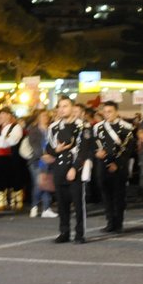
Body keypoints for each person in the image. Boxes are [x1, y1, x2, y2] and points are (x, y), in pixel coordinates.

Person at [44, 96, 92, 243]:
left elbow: (84, 150)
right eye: (60, 106)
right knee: (62, 202)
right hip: (59, 168)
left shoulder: (83, 126)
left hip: (74, 168)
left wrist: (75, 168)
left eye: (65, 106)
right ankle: (64, 232)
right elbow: (48, 148)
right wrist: (55, 149)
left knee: (78, 203)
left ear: (72, 107)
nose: (62, 109)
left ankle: (79, 233)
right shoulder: (54, 127)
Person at [92, 101, 134, 233]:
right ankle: (110, 221)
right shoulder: (98, 127)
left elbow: (129, 149)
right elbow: (93, 144)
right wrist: (96, 153)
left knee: (118, 196)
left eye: (110, 111)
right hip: (102, 165)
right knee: (106, 195)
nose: (107, 114)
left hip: (118, 166)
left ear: (116, 112)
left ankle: (118, 223)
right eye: (105, 112)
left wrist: (118, 163)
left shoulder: (126, 128)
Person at [0, 108, 27, 211]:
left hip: (12, 157)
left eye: (3, 114)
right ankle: (1, 202)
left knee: (15, 179)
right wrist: (4, 139)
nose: (1, 117)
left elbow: (13, 141)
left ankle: (16, 201)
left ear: (9, 116)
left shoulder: (16, 127)